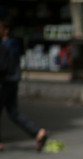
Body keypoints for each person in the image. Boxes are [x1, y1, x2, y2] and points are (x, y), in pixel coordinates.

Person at [0, 18, 48, 152]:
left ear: (5, 30)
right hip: (13, 82)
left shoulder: (4, 46)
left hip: (3, 83)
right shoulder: (14, 44)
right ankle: (37, 132)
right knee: (13, 112)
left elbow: (2, 67)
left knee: (12, 112)